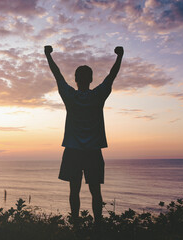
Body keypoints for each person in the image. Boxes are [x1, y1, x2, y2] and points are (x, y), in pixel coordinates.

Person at [44, 45, 124, 224]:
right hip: (93, 151)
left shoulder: (69, 95)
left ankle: (75, 224)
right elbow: (112, 75)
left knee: (74, 190)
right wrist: (119, 56)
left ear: (75, 79)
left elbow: (57, 74)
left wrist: (48, 55)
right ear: (91, 79)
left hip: (73, 150)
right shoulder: (98, 95)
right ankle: (98, 224)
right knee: (96, 191)